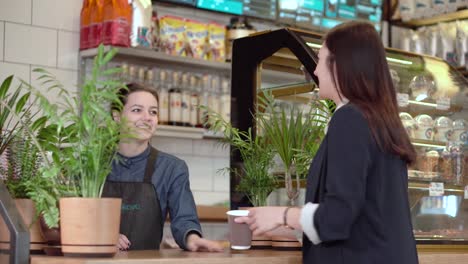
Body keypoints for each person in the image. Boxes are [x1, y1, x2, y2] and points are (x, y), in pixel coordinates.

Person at [235, 21, 419, 264]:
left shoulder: (350, 118)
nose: (316, 71)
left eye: (321, 59)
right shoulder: (381, 119)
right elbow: (362, 214)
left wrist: (282, 214)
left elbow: (337, 218)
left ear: (340, 66)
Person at [102, 82, 223, 252]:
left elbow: (184, 218)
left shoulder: (171, 168)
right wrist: (101, 236)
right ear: (116, 116)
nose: (147, 117)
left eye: (153, 112)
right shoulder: (92, 166)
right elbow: (76, 220)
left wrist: (192, 239)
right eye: (137, 110)